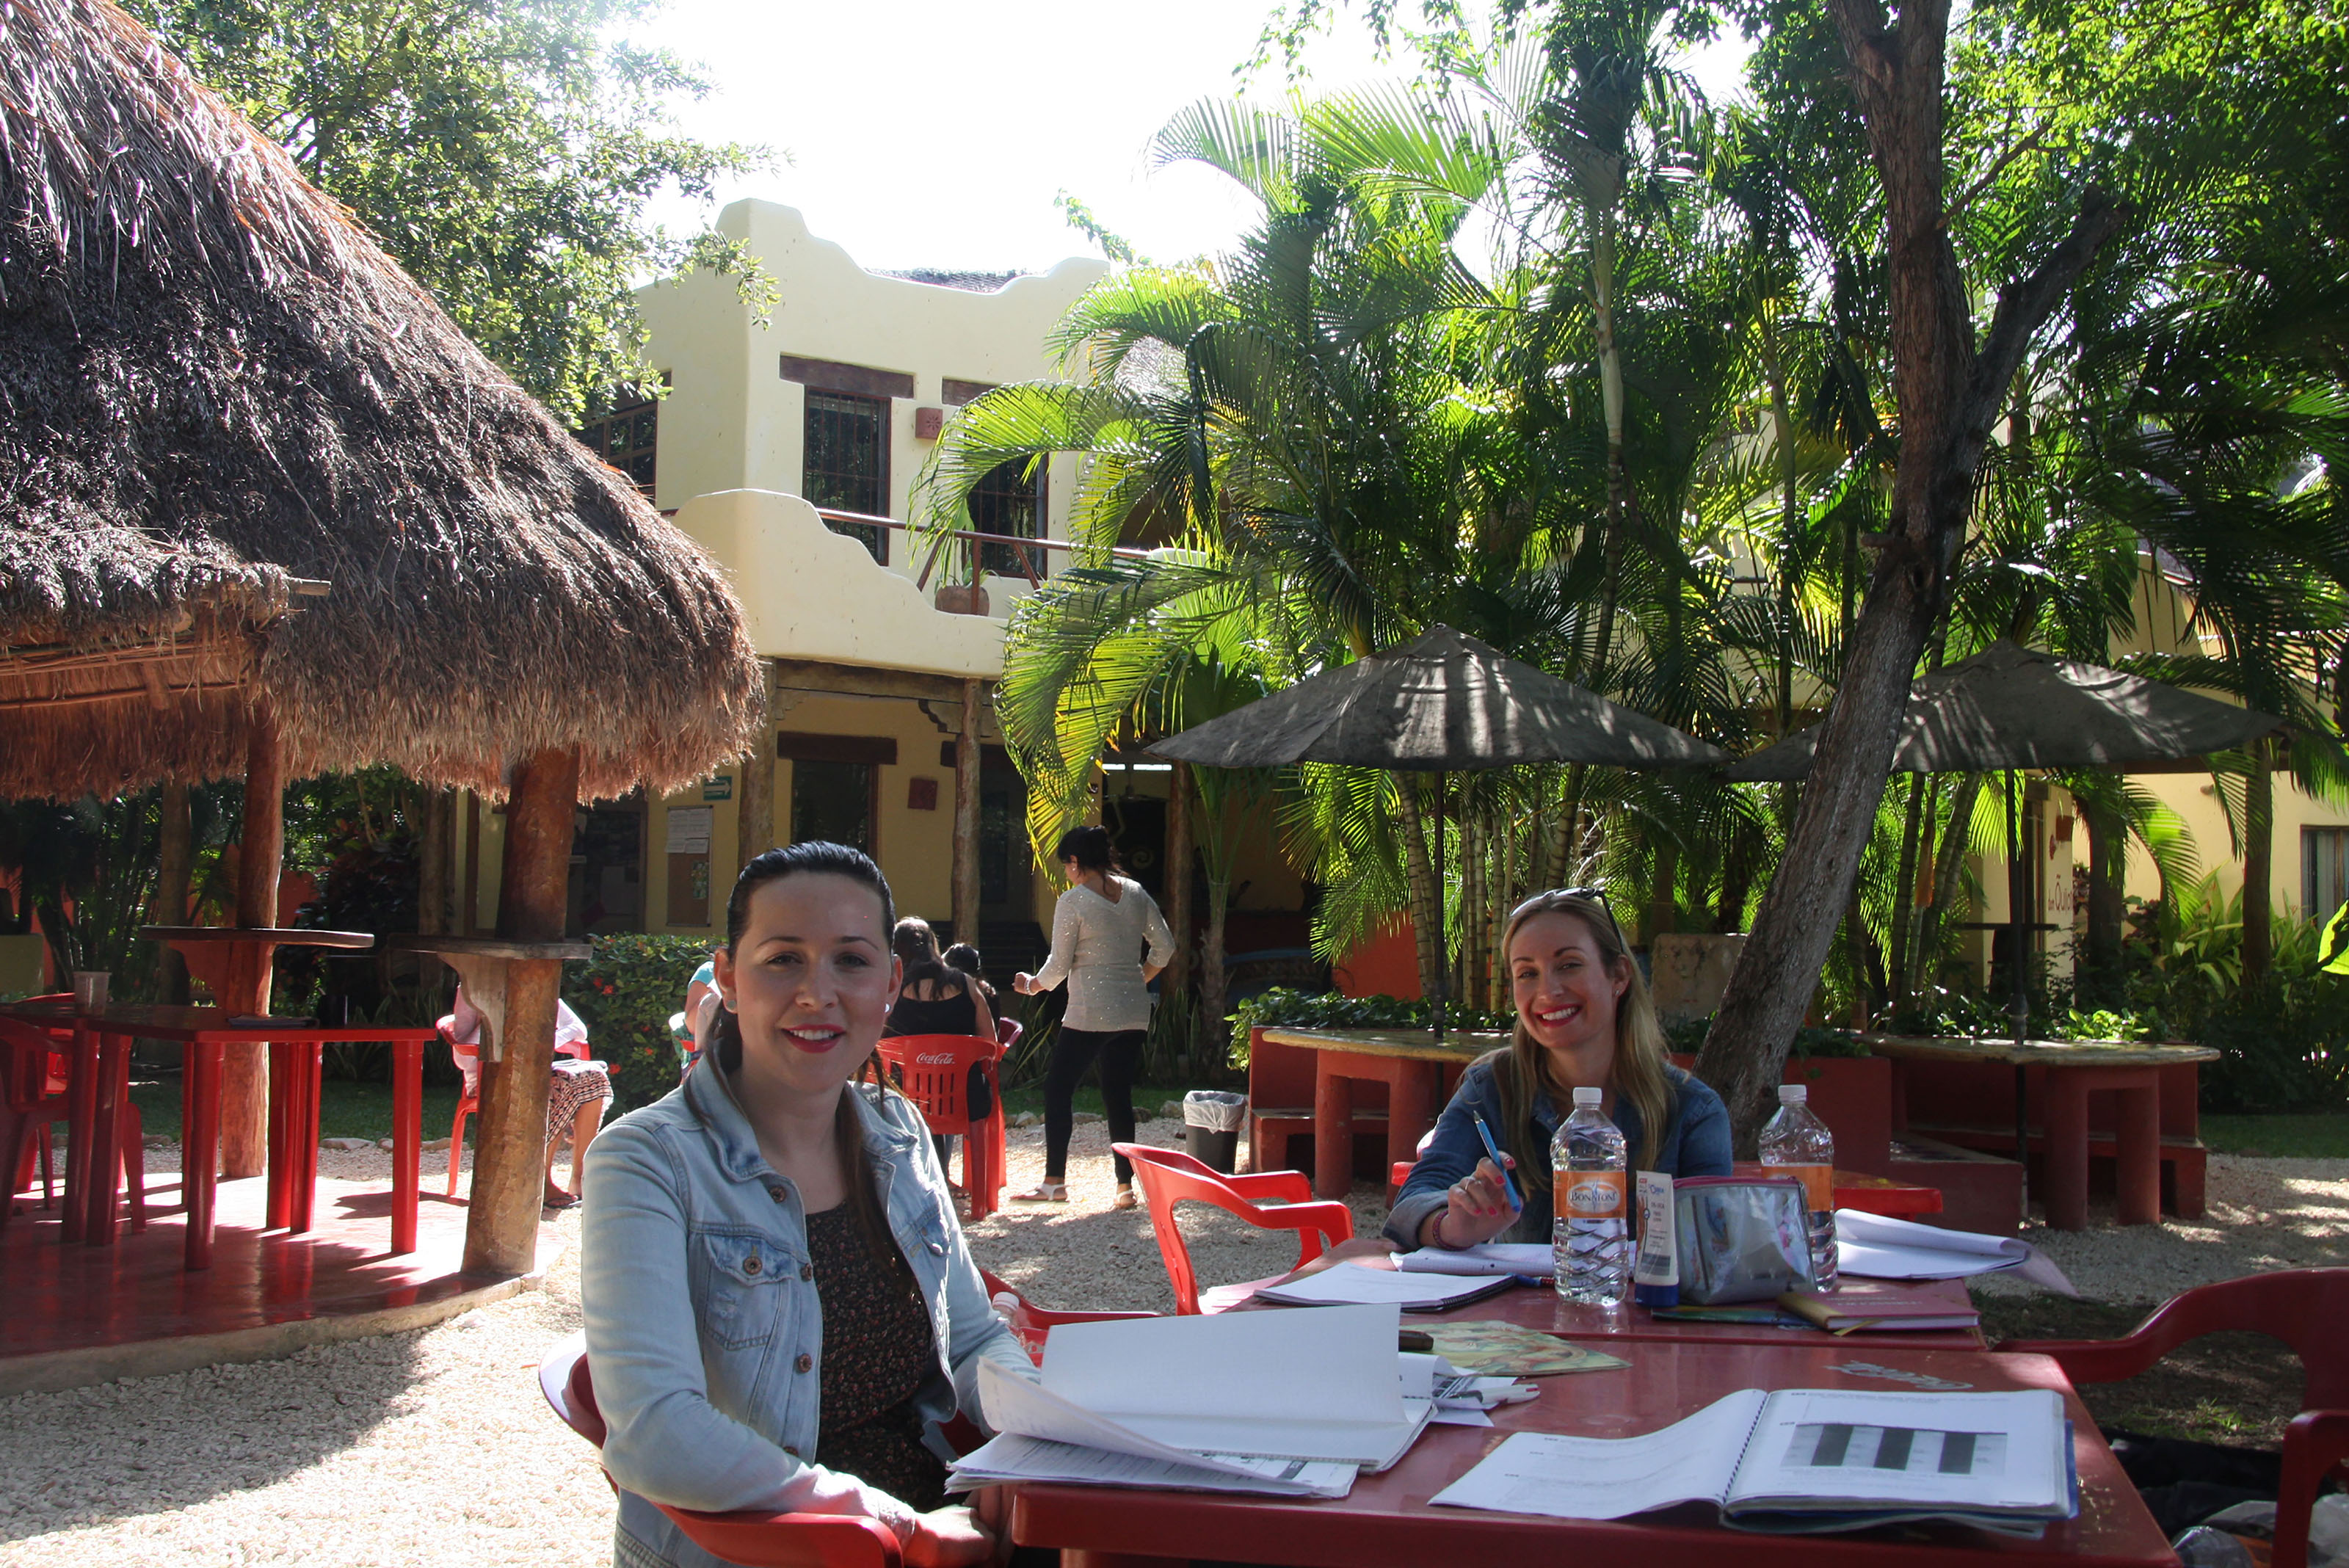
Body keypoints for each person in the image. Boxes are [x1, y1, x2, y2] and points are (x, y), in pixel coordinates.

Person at [580, 842, 1027, 1568]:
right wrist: (898, 1529)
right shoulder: (647, 1162)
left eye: (850, 961)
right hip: (773, 1550)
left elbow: (974, 1339)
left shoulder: (897, 1132)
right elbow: (655, 1430)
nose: (817, 993)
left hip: (940, 1518)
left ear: (888, 982)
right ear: (727, 977)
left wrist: (1033, 1445)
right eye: (782, 958)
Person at [1386, 887, 1732, 1251]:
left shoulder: (1692, 1110)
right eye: (1527, 974)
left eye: (1568, 965)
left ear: (1619, 975)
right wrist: (1454, 1225)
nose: (1548, 991)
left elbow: (1714, 1249)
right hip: (1515, 1309)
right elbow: (1415, 1200)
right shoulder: (1492, 1086)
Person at [1010, 825, 1174, 1211]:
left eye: (1067, 865)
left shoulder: (1074, 902)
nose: (1067, 873)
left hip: (1089, 1012)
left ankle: (1054, 1182)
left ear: (1075, 862)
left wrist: (1031, 985)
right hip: (1134, 1010)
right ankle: (1124, 1188)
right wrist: (1138, 978)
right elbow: (1165, 947)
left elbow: (1058, 967)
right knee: (1118, 1095)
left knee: (1058, 1090)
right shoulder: (1135, 893)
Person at [449, 982, 608, 1210]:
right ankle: (541, 1180)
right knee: (555, 1085)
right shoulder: (473, 984)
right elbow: (462, 1049)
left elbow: (578, 1028)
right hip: (491, 1075)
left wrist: (540, 1045)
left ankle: (580, 1178)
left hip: (535, 1069)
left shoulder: (537, 980)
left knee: (594, 1077)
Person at [883, 918, 995, 1042]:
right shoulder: (967, 984)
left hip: (904, 1062)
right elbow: (990, 1041)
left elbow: (874, 1042)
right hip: (961, 1062)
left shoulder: (892, 988)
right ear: (932, 945)